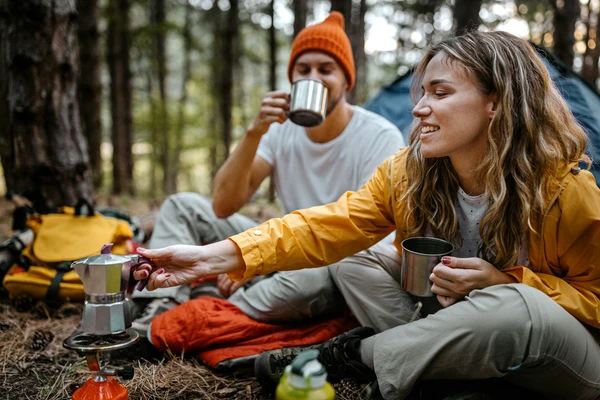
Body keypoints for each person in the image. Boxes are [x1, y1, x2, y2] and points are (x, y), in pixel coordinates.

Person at [133, 30, 600, 399]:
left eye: (439, 93)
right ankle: (444, 376)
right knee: (351, 257)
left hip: (557, 356)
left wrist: (508, 282)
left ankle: (352, 355)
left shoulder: (565, 191)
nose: (419, 108)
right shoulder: (410, 174)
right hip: (451, 327)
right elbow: (324, 226)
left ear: (495, 102)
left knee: (518, 309)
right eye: (422, 93)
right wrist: (216, 257)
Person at [130, 11, 406, 336]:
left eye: (326, 70)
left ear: (347, 80)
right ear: (292, 80)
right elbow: (222, 206)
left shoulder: (379, 136)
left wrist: (255, 264)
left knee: (311, 282)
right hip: (278, 241)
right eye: (303, 70)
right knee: (182, 205)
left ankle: (210, 304)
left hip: (330, 260)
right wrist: (254, 133)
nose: (313, 78)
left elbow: (372, 240)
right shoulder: (279, 130)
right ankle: (160, 306)